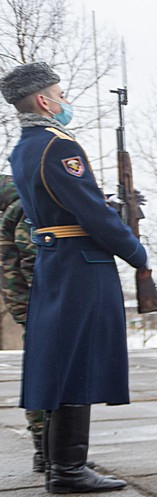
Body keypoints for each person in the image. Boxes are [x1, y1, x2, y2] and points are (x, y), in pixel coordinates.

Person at [3, 62, 152, 493]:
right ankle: (68, 470)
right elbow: (90, 212)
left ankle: (57, 465)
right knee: (77, 360)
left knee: (58, 358)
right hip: (81, 263)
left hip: (55, 260)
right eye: (60, 94)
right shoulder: (57, 146)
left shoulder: (24, 147)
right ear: (45, 101)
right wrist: (136, 253)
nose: (65, 101)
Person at [0, 172, 44, 471]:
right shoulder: (25, 212)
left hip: (24, 303)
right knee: (44, 376)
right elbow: (32, 261)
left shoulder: (10, 214)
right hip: (36, 306)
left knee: (39, 373)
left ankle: (46, 449)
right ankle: (47, 450)